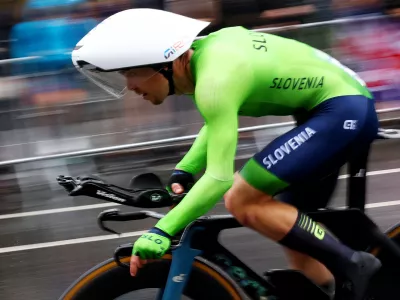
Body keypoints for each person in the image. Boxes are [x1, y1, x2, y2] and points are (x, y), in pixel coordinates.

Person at [71, 8, 382, 300]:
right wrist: (185, 170)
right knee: (296, 242)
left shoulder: (215, 78)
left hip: (342, 110)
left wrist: (162, 231)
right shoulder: (206, 58)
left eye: (131, 73)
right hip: (333, 108)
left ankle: (355, 263)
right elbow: (219, 120)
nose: (131, 86)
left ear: (161, 61)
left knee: (242, 198)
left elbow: (219, 177)